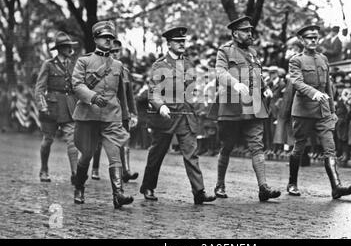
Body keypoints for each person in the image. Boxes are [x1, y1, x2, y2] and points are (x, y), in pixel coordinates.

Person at [139, 26, 216, 205]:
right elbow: (153, 92)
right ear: (169, 44)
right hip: (166, 117)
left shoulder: (188, 64)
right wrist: (160, 107)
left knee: (191, 154)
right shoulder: (160, 65)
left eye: (183, 41)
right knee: (157, 153)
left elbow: (191, 91)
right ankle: (148, 186)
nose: (182, 44)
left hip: (186, 116)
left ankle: (199, 192)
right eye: (178, 42)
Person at [208, 16, 281, 202]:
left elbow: (257, 74)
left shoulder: (253, 53)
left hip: (253, 105)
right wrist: (235, 84)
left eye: (251, 31)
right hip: (231, 105)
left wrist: (266, 88)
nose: (250, 34)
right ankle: (220, 184)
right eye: (246, 31)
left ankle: (263, 187)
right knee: (227, 146)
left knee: (257, 145)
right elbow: (220, 73)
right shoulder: (224, 51)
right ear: (235, 33)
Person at [287, 24, 351, 199]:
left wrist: (332, 110)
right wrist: (314, 93)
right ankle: (292, 183)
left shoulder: (323, 59)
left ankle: (336, 187)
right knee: (299, 146)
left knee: (329, 148)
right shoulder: (296, 60)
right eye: (309, 38)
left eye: (316, 37)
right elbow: (296, 82)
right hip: (303, 111)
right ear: (302, 40)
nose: (313, 40)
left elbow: (328, 87)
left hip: (323, 111)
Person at [71, 21, 134, 209]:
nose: (108, 40)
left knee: (115, 154)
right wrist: (92, 97)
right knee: (87, 155)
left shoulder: (118, 65)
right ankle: (79, 187)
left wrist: (126, 116)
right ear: (96, 39)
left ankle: (118, 194)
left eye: (111, 37)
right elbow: (77, 85)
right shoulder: (84, 61)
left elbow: (122, 93)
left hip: (111, 116)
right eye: (104, 37)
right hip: (88, 116)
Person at [91, 39, 139, 183]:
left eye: (117, 51)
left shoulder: (125, 71)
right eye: (112, 51)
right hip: (104, 111)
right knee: (98, 141)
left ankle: (126, 171)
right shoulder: (101, 69)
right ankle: (95, 168)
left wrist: (133, 113)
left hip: (122, 112)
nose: (115, 54)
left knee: (124, 140)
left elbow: (130, 95)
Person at [34, 31, 79, 183]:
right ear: (59, 48)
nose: (69, 49)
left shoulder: (74, 65)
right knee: (48, 140)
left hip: (69, 107)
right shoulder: (48, 65)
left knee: (73, 140)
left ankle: (75, 173)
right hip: (51, 107)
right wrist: (42, 105)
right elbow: (39, 87)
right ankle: (44, 169)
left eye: (70, 46)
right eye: (66, 46)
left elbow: (78, 87)